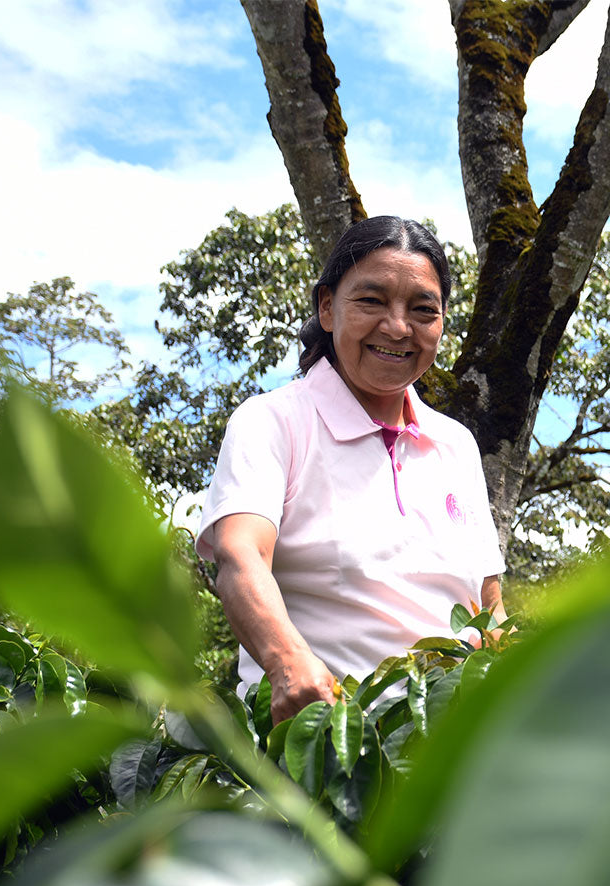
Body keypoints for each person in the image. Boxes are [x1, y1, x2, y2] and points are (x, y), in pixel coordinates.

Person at [195, 216, 506, 725]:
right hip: (327, 744)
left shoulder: (456, 444)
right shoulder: (275, 422)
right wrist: (287, 664)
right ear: (327, 308)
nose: (398, 327)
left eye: (423, 309)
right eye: (372, 301)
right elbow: (239, 553)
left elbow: (488, 605)